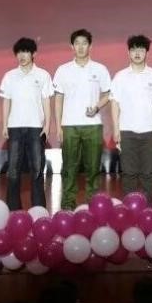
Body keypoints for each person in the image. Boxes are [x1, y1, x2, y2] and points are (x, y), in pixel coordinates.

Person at [52, 29, 111, 210]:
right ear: (72, 46)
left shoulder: (100, 69)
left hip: (93, 125)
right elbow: (59, 99)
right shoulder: (63, 70)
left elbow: (108, 94)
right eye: (77, 43)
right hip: (69, 125)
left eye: (84, 43)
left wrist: (97, 107)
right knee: (69, 168)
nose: (80, 47)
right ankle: (68, 204)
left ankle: (93, 205)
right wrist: (59, 126)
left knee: (93, 168)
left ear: (90, 46)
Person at [110, 35, 152, 203]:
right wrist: (116, 129)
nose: (137, 53)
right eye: (134, 50)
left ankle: (148, 208)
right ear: (128, 52)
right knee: (128, 173)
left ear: (147, 53)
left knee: (148, 173)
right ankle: (130, 208)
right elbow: (114, 103)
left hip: (150, 131)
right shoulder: (120, 76)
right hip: (126, 131)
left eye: (141, 50)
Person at [0, 37, 53, 209]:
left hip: (36, 127)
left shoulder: (43, 75)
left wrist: (47, 125)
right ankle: (13, 209)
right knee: (13, 170)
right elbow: (6, 101)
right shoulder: (10, 76)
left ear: (33, 53)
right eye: (19, 53)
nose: (21, 56)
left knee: (37, 170)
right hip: (14, 127)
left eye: (25, 52)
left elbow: (46, 101)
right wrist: (5, 125)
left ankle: (39, 209)